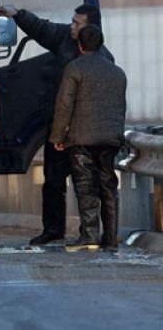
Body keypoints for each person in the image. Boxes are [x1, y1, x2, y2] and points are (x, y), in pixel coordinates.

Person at [0, 4, 113, 245]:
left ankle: (97, 234)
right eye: (72, 21)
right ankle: (54, 229)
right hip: (61, 126)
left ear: (90, 28)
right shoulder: (64, 40)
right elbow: (41, 28)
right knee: (53, 180)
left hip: (86, 130)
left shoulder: (103, 59)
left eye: (77, 23)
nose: (72, 26)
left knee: (91, 183)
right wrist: (18, 13)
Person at [49, 25, 126, 251]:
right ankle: (110, 239)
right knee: (109, 186)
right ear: (101, 44)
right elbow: (120, 107)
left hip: (81, 139)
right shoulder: (117, 72)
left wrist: (58, 136)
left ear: (80, 46)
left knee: (85, 186)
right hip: (110, 140)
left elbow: (64, 105)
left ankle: (90, 235)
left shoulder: (75, 69)